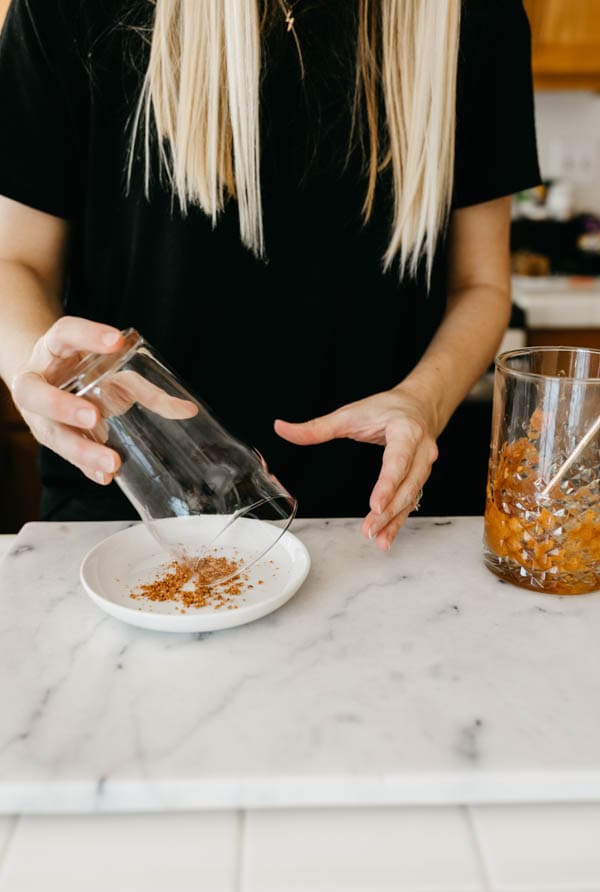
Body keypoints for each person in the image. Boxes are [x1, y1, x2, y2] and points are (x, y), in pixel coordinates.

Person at [0, 0, 540, 550]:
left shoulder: (471, 15)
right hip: (118, 515)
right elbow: (13, 261)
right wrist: (33, 371)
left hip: (373, 527)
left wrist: (422, 401)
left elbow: (482, 285)